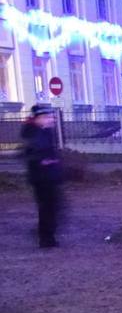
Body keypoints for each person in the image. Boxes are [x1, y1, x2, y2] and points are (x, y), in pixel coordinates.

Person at [21, 103, 64, 249]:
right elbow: (31, 154)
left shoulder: (44, 131)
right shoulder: (33, 133)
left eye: (51, 116)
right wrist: (43, 161)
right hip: (41, 178)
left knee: (53, 207)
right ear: (38, 118)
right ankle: (46, 238)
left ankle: (47, 235)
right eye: (47, 117)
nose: (51, 119)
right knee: (47, 207)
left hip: (49, 176)